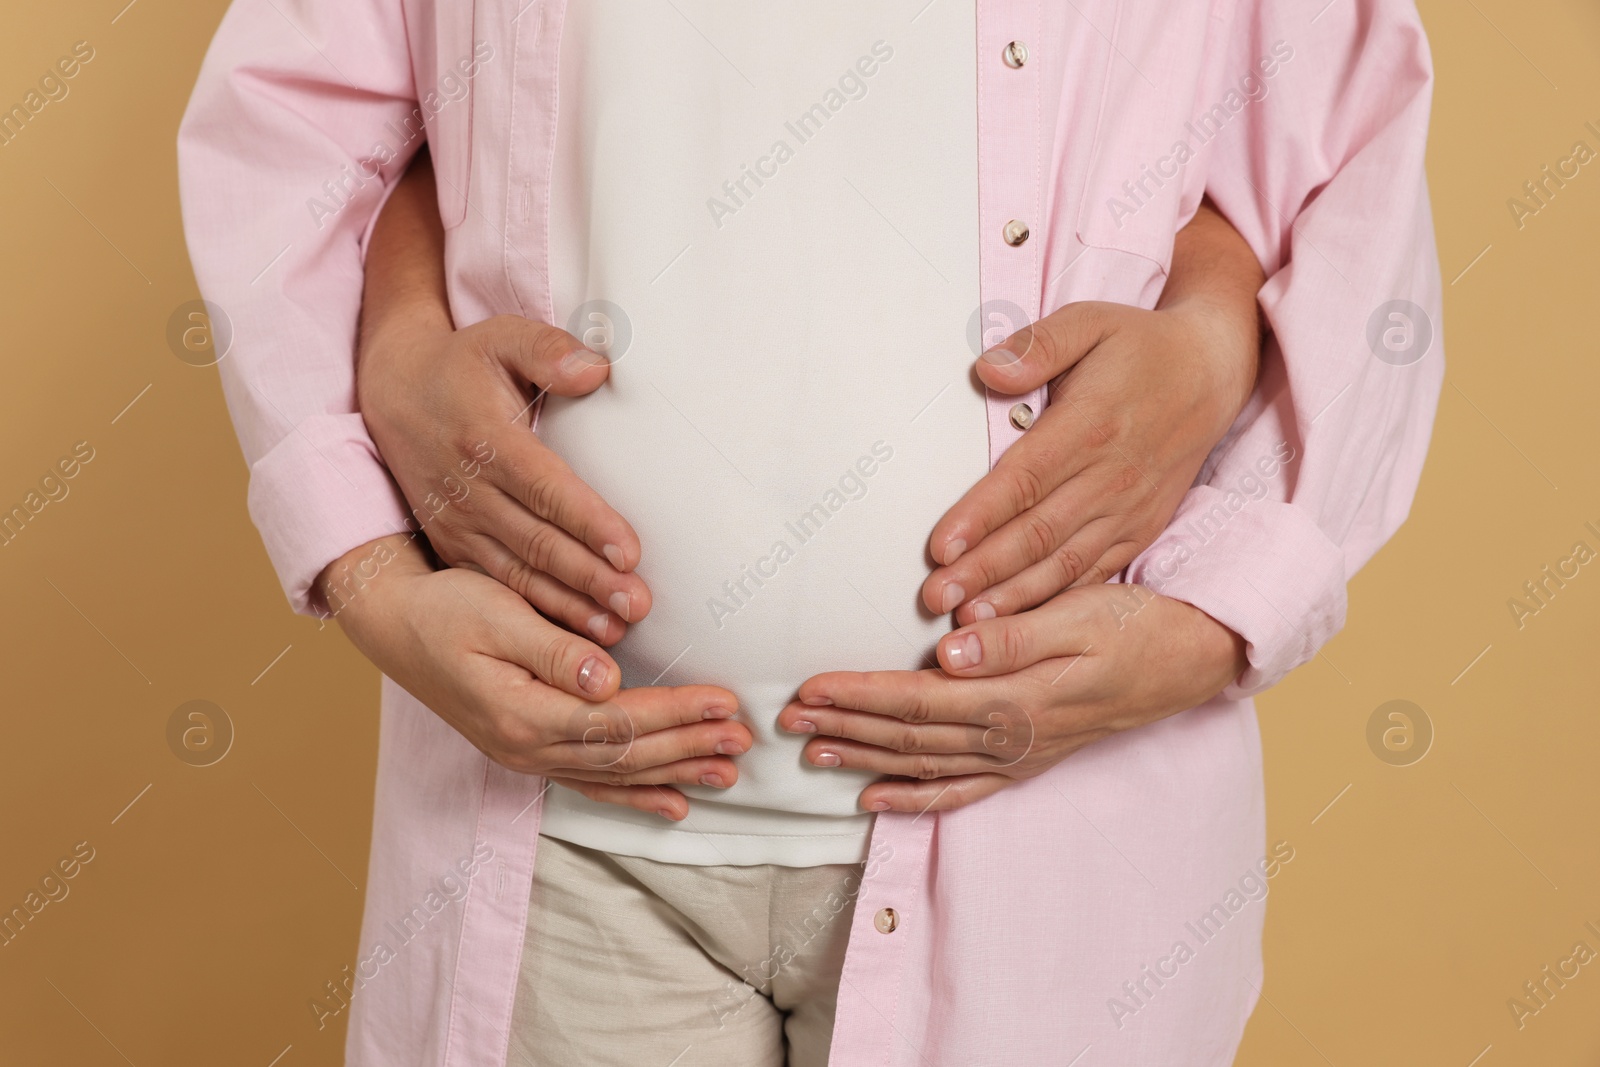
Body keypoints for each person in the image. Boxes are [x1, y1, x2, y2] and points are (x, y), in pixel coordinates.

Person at [176, 2, 1443, 1064]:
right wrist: (372, 562)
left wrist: (1221, 611)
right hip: (557, 837)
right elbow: (304, 125)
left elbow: (1339, 156)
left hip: (1055, 843)